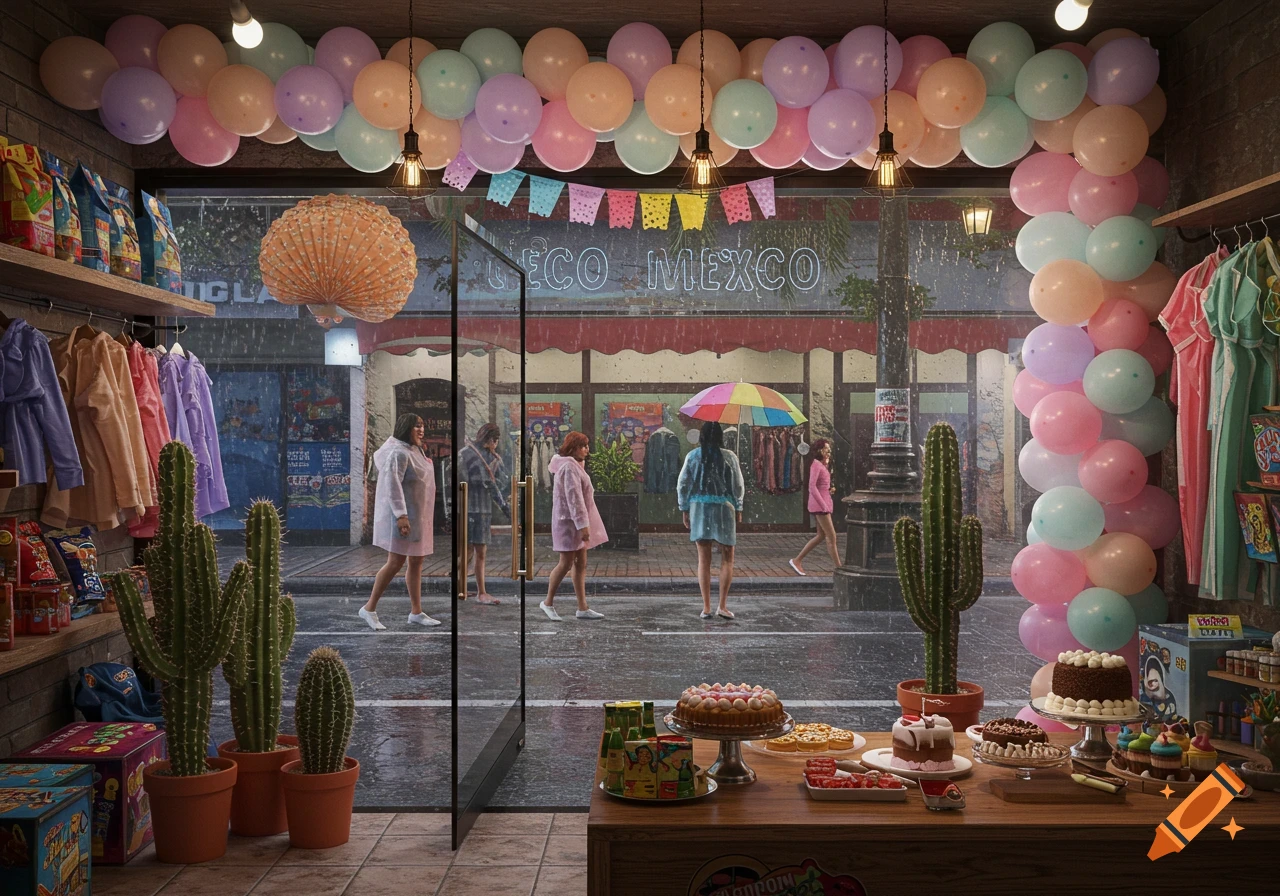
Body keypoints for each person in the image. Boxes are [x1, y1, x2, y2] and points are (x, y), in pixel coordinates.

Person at [360, 414, 438, 630]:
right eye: (416, 426)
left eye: (422, 425)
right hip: (405, 518)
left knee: (416, 562)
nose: (421, 429)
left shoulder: (416, 450)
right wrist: (401, 515)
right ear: (406, 428)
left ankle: (416, 611)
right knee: (395, 562)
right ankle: (369, 608)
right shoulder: (399, 453)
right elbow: (392, 485)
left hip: (418, 517)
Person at [677, 421, 745, 620]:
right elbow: (738, 484)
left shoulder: (693, 456)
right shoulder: (730, 457)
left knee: (703, 559)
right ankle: (722, 605)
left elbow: (683, 484)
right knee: (728, 557)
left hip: (699, 508)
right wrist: (739, 506)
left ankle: (706, 607)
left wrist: (684, 508)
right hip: (724, 507)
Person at [540, 432, 607, 621]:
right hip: (568, 524)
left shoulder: (575, 465)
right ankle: (547, 603)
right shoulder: (569, 467)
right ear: (573, 447)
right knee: (566, 563)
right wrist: (583, 525)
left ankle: (582, 607)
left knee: (580, 563)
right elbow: (574, 498)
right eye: (583, 446)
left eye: (587, 446)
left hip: (574, 523)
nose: (587, 450)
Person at [459, 422, 510, 604]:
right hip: (473, 508)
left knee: (473, 551)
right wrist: (505, 508)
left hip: (479, 509)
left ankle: (466, 587)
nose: (495, 444)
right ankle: (477, 591)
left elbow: (502, 482)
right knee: (474, 551)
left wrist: (497, 466)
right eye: (494, 440)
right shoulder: (469, 454)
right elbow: (488, 483)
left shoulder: (486, 456)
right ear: (489, 439)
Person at [790, 439, 842, 575]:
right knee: (832, 537)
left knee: (821, 535)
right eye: (826, 448)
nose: (829, 451)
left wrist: (829, 490)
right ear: (819, 450)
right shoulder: (816, 465)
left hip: (823, 504)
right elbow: (812, 487)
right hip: (820, 506)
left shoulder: (821, 465)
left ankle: (797, 560)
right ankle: (839, 568)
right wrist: (823, 505)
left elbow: (820, 486)